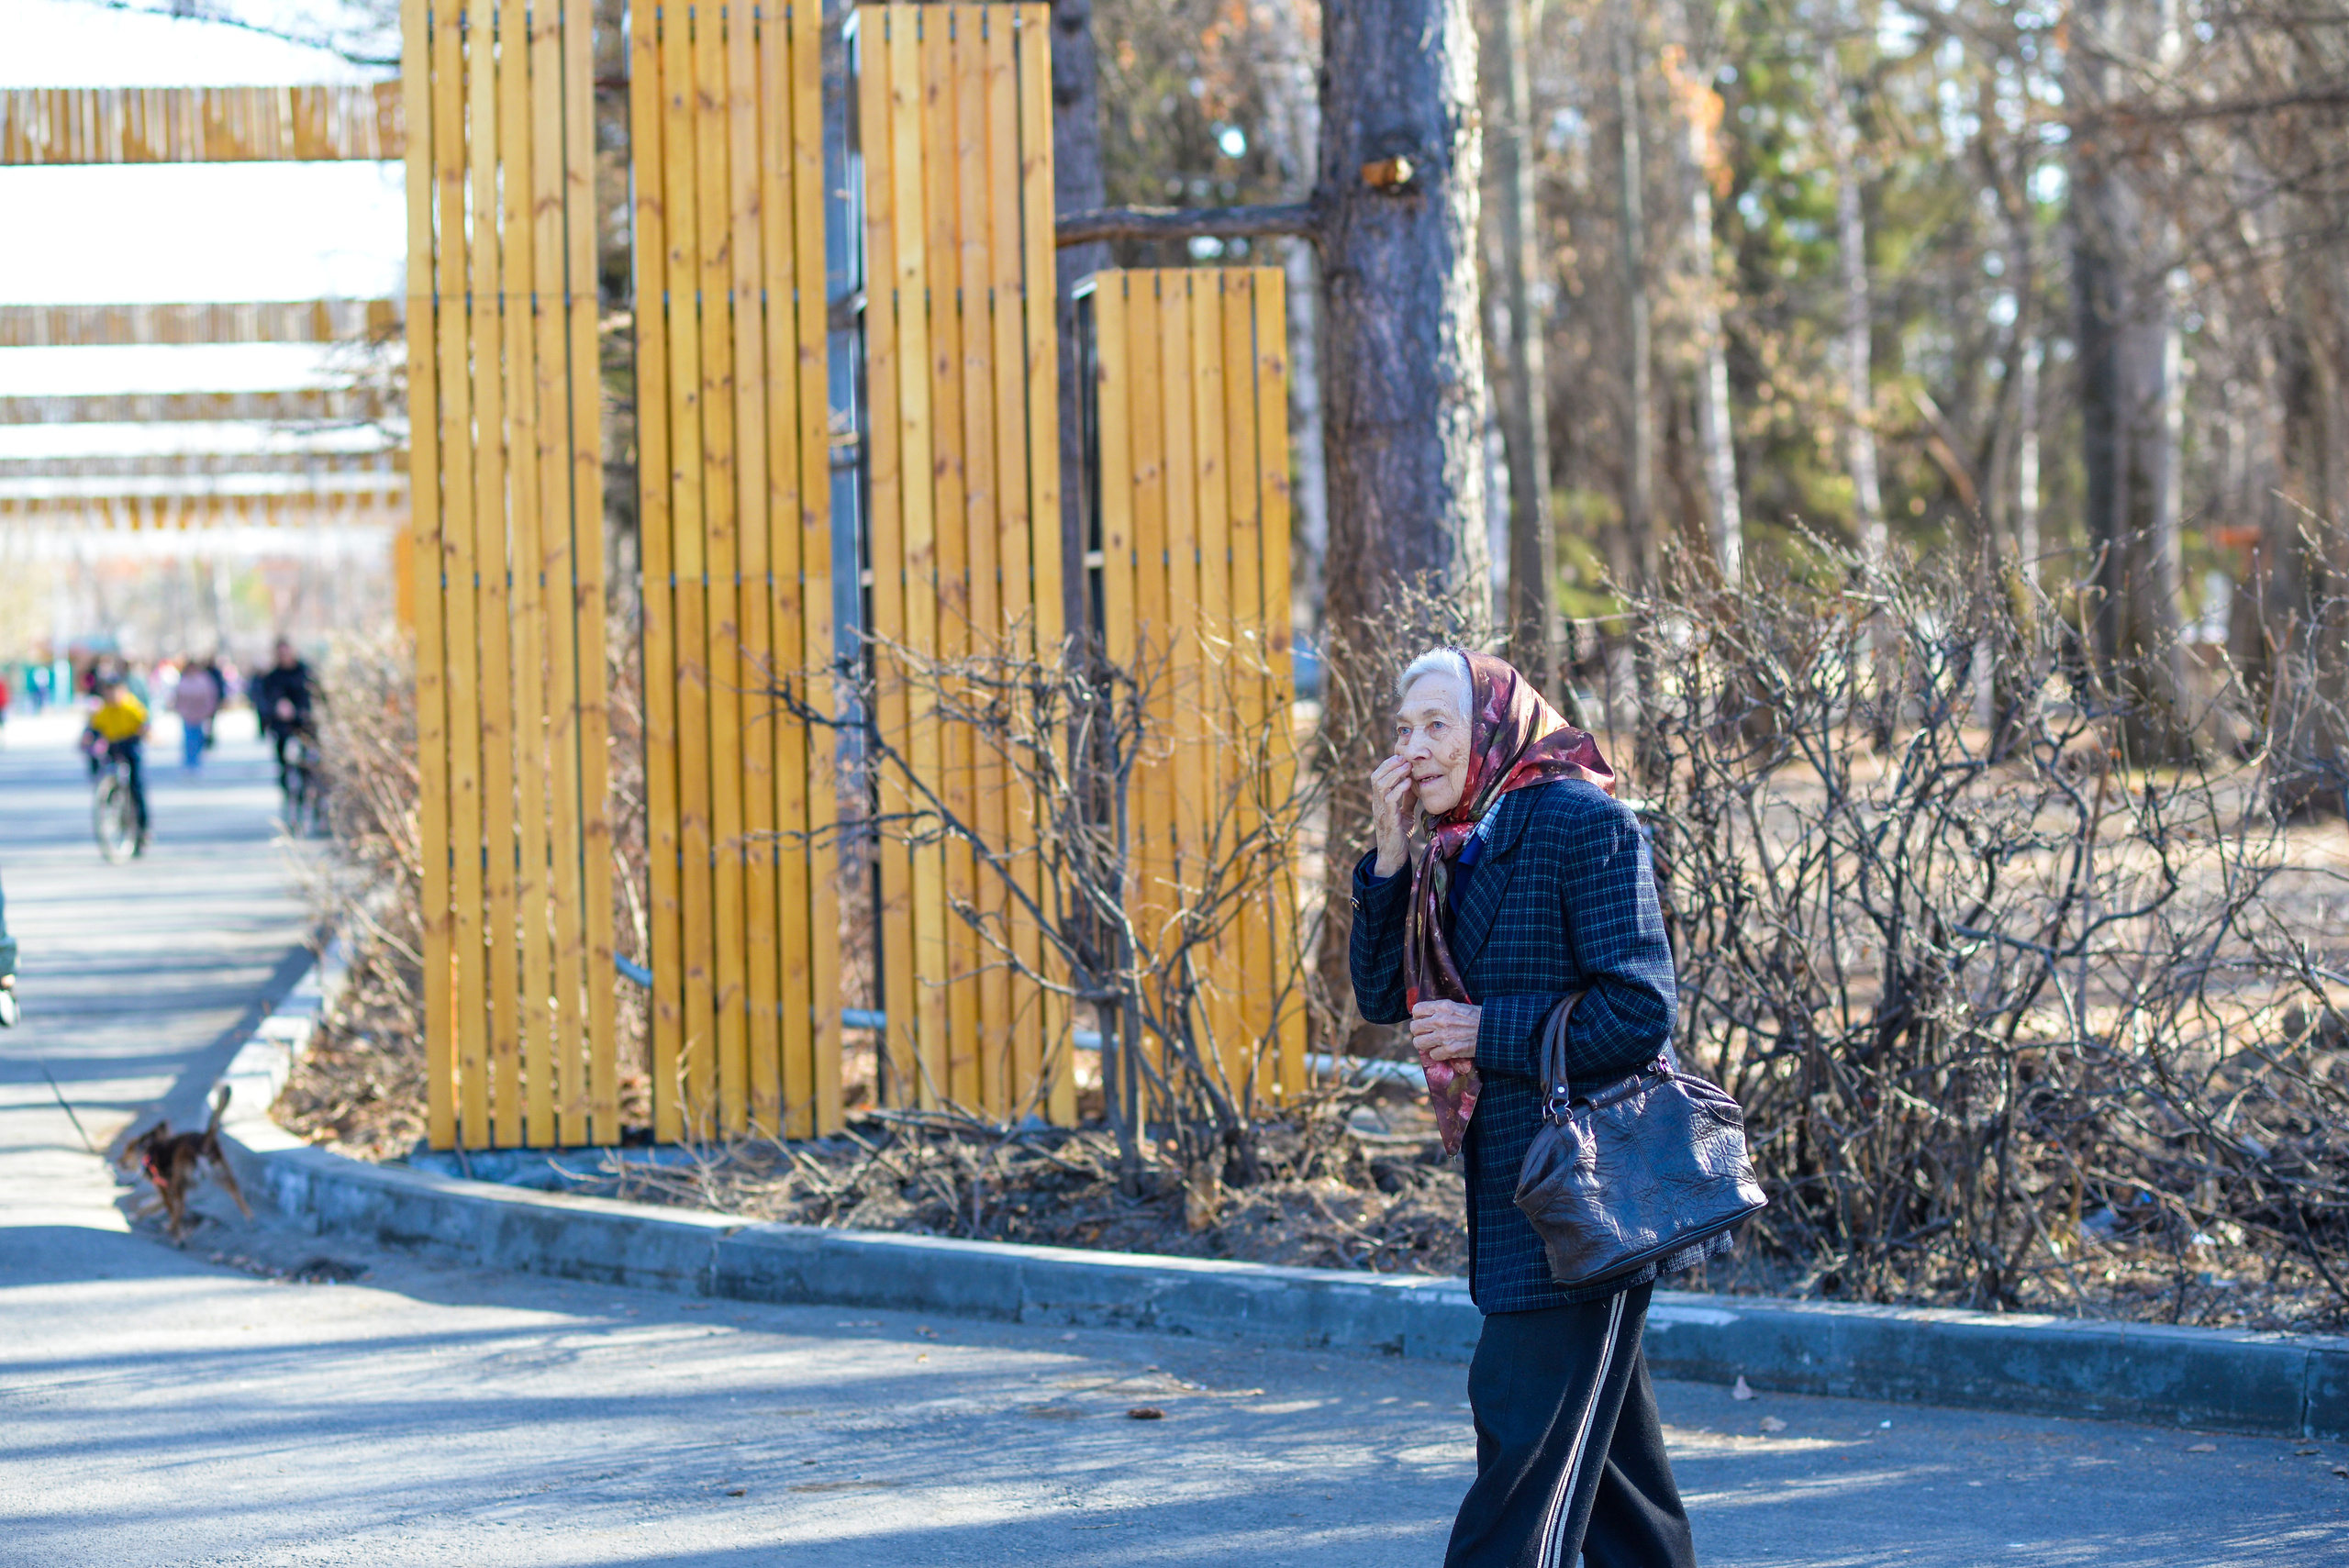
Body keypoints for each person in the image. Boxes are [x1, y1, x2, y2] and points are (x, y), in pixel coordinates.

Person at [1350, 648, 1709, 1568]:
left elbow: (1638, 1009)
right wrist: (1389, 856)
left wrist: (1484, 1032)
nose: (1415, 748)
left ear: (1496, 723)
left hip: (1583, 1193)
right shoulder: (1447, 845)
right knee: (1617, 1478)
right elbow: (1385, 997)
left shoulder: (1582, 822)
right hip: (1522, 1197)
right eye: (1403, 728)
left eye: (1438, 724)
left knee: (1521, 1453)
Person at [83, 673, 150, 852]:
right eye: (108, 692)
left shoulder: (131, 706)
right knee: (103, 767)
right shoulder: (103, 711)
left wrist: (147, 733)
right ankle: (111, 798)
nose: (111, 696)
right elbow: (92, 729)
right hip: (113, 747)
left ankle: (143, 829)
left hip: (130, 746)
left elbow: (145, 723)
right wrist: (86, 739)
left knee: (136, 786)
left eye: (114, 692)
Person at [251, 639, 317, 795]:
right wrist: (277, 707)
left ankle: (306, 787)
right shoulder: (273, 676)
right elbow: (265, 699)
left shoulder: (305, 672)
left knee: (307, 759)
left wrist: (302, 711)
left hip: (304, 722)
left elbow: (315, 694)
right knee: (283, 758)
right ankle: (287, 784)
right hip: (282, 725)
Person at [171, 655, 222, 770]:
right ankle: (190, 762)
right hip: (187, 714)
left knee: (198, 738)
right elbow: (178, 697)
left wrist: (209, 710)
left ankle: (196, 761)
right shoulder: (183, 680)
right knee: (189, 739)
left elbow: (210, 695)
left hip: (200, 714)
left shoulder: (204, 679)